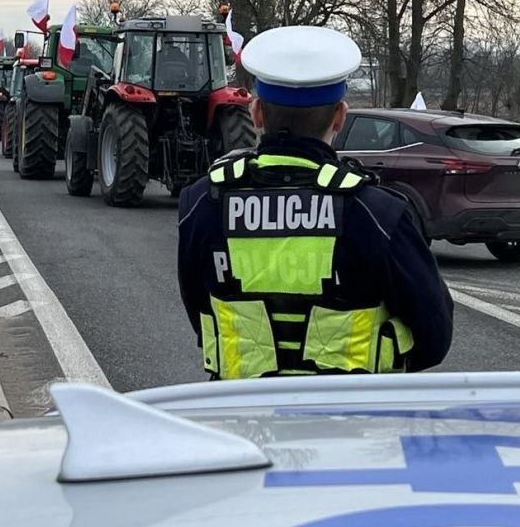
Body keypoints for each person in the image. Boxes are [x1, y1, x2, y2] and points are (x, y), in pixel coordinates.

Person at [177, 26, 453, 380]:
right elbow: (434, 338)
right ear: (339, 116)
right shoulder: (380, 213)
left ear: (256, 114)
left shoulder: (202, 203)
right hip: (350, 426)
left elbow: (203, 318)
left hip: (240, 423)